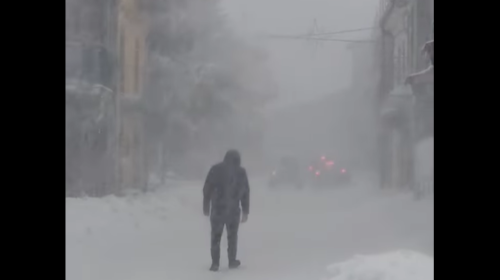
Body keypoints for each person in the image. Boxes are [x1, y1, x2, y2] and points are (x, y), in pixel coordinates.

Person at [203, 150, 250, 271]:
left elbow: (207, 188)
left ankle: (215, 263)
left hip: (217, 209)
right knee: (232, 237)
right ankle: (232, 260)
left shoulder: (216, 169)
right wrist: (245, 211)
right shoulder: (241, 172)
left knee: (215, 237)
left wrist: (206, 206)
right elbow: (245, 192)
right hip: (233, 211)